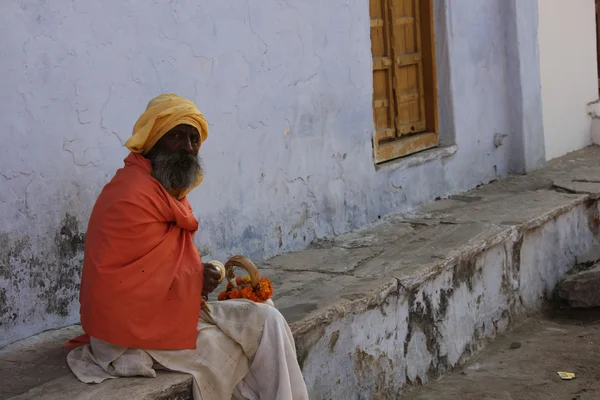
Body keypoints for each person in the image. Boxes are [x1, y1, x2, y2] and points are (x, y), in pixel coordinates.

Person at [65, 94, 309, 400]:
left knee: (267, 318)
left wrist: (196, 276)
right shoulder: (129, 193)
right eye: (176, 136)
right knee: (230, 355)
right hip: (129, 332)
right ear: (153, 141)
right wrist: (194, 279)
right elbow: (122, 288)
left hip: (170, 314)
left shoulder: (164, 191)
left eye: (194, 139)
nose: (188, 147)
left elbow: (163, 265)